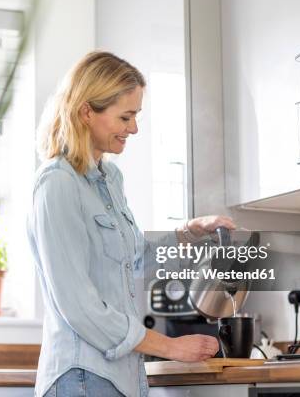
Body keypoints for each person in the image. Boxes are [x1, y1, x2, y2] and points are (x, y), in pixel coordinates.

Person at [27, 51, 236, 397]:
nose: (134, 128)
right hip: (81, 377)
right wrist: (168, 346)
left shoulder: (111, 180)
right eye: (125, 117)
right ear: (86, 112)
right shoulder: (57, 185)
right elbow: (78, 305)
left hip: (120, 378)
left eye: (136, 116)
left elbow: (135, 262)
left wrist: (189, 232)